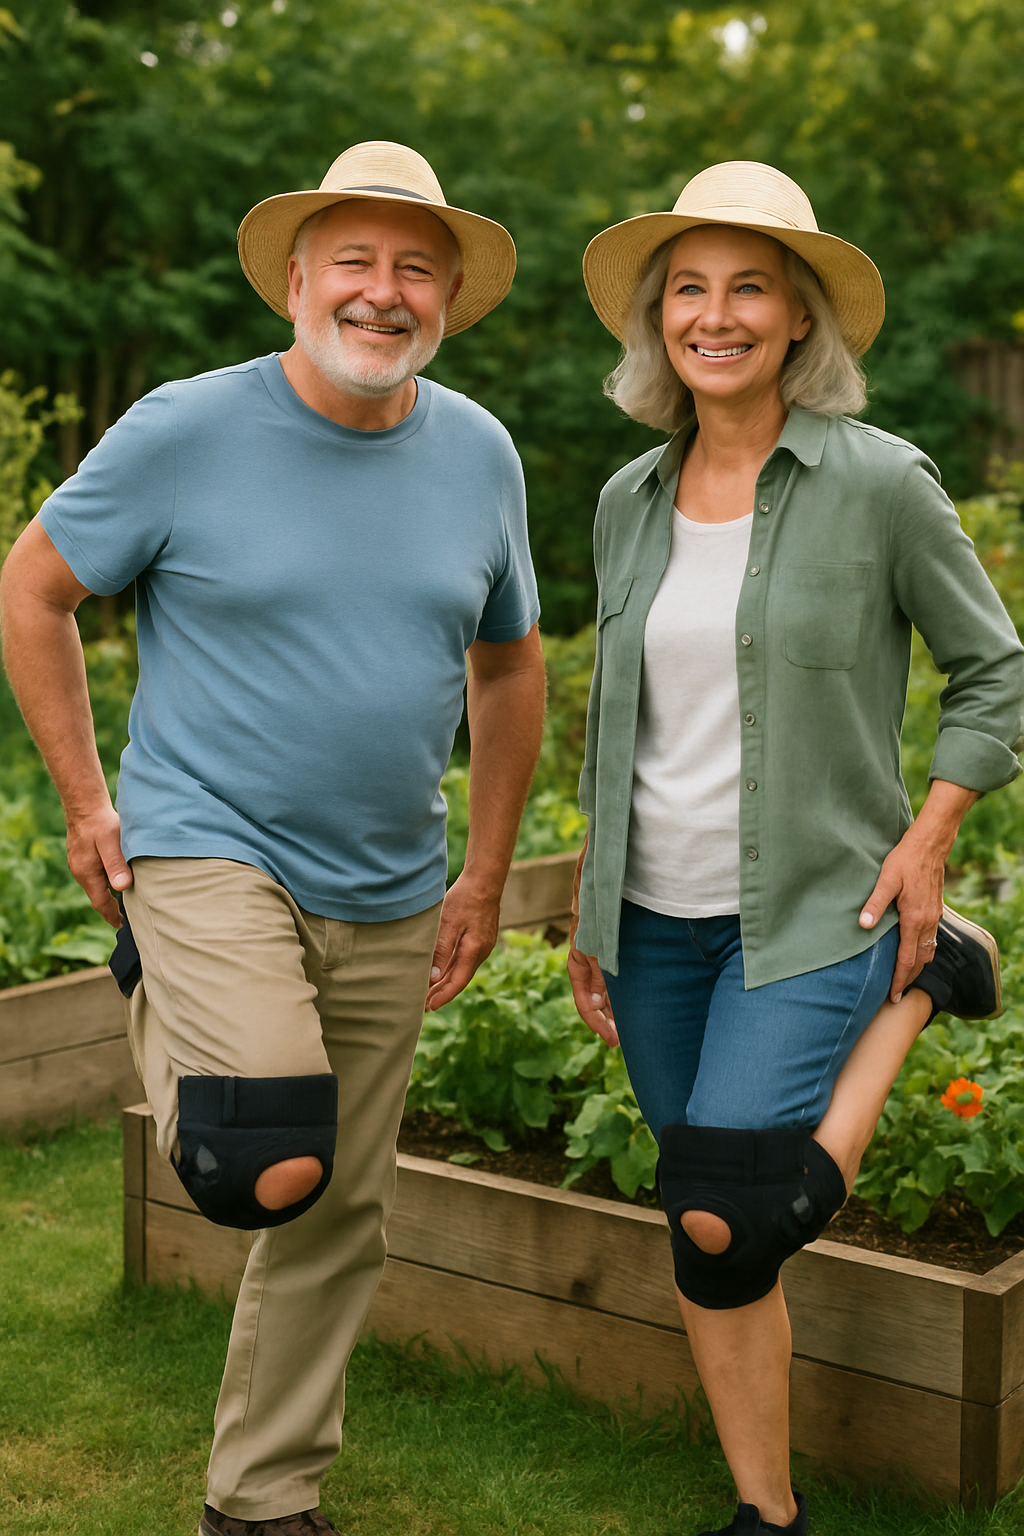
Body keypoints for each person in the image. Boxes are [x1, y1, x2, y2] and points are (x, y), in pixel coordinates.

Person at [0, 141, 546, 1536]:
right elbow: (36, 586)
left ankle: (260, 1503)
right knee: (262, 1158)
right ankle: (172, 989)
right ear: (297, 280)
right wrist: (83, 799)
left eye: (414, 267)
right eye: (353, 261)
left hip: (394, 879)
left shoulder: (480, 453)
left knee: (337, 1211)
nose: (382, 291)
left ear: (447, 297)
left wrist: (488, 869)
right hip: (206, 846)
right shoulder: (188, 428)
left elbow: (508, 664)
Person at [567, 161, 1022, 1536]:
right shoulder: (626, 501)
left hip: (819, 904)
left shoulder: (881, 484)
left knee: (728, 1208)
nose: (716, 315)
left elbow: (997, 672)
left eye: (748, 288)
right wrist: (590, 912)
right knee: (710, 1239)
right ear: (660, 324)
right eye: (689, 290)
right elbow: (621, 726)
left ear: (800, 319)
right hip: (653, 923)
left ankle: (926, 977)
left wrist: (933, 833)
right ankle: (769, 1518)